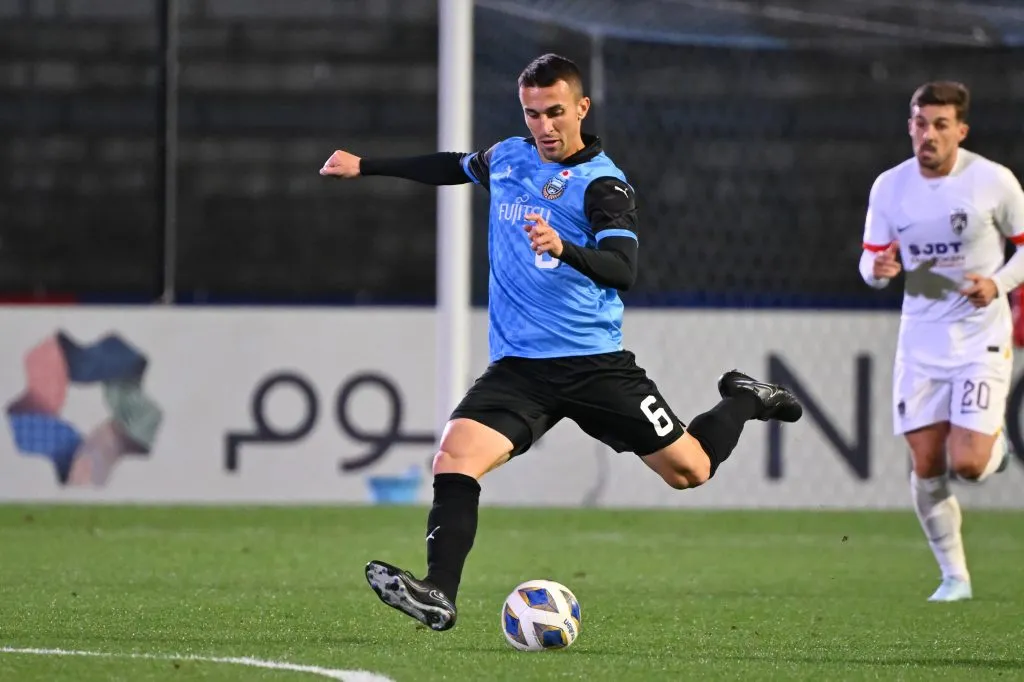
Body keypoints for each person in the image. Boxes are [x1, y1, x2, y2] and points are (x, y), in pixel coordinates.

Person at [322, 53, 803, 630]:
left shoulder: (603, 184)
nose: (544, 127)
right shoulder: (508, 156)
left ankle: (746, 397)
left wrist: (562, 248)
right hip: (520, 369)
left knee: (690, 471)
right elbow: (454, 165)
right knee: (454, 457)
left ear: (581, 107)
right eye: (532, 114)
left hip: (595, 367)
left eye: (554, 112)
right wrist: (366, 165)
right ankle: (438, 591)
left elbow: (622, 268)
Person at [859, 81, 1024, 602]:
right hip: (921, 342)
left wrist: (997, 283)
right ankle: (954, 577)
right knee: (926, 464)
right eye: (919, 123)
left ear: (961, 130)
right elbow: (870, 262)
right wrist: (878, 269)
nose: (927, 134)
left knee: (969, 465)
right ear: (909, 124)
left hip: (980, 338)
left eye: (939, 125)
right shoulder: (890, 187)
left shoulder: (993, 182)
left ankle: (990, 451)